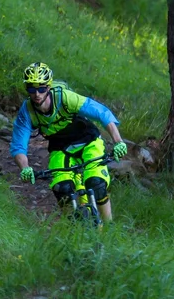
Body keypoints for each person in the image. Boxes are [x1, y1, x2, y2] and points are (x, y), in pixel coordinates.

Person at [10, 62, 128, 222]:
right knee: (62, 188)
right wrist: (25, 168)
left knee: (96, 183)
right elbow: (19, 145)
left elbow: (101, 113)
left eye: (41, 88)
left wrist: (118, 141)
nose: (37, 94)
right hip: (60, 148)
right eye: (31, 89)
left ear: (49, 87)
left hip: (88, 141)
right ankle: (71, 228)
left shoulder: (64, 98)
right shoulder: (27, 112)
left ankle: (109, 226)